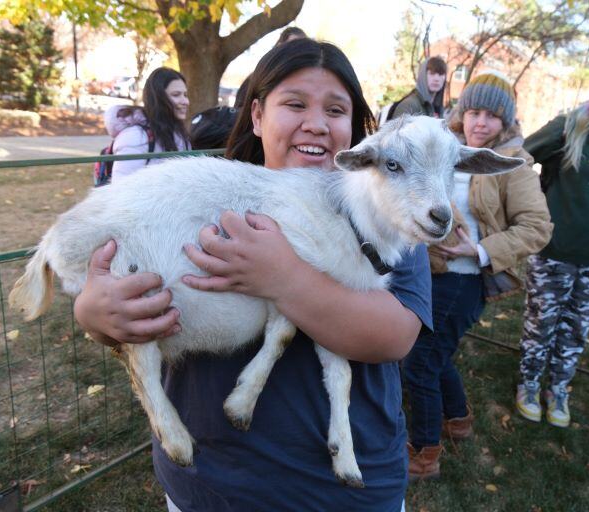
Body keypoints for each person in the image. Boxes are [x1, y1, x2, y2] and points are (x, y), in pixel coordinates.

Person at [74, 38, 433, 512]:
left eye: (336, 109)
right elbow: (121, 281)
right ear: (259, 115)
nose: (316, 123)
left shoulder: (391, 216)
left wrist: (283, 277)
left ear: (356, 128)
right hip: (210, 485)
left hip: (339, 494)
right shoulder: (202, 195)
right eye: (295, 104)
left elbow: (394, 337)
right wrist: (94, 315)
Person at [402, 72, 553, 480]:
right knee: (437, 353)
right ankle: (458, 419)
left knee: (419, 363)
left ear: (506, 122)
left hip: (464, 278)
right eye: (473, 111)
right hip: (428, 271)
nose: (480, 122)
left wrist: (481, 250)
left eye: (491, 115)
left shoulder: (513, 166)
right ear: (461, 112)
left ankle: (424, 452)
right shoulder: (442, 148)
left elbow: (538, 226)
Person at [515, 75, 589, 428]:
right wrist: (534, 203)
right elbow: (520, 158)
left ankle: (559, 388)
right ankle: (529, 383)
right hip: (555, 252)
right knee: (542, 325)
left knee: (576, 331)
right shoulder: (573, 125)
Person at [104, 67, 191, 181]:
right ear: (157, 98)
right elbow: (122, 190)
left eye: (185, 95)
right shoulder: (135, 137)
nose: (186, 101)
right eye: (176, 95)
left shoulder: (179, 135)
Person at [233, 26, 307, 110]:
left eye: (301, 46)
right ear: (279, 47)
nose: (297, 51)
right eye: (292, 45)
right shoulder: (257, 78)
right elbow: (239, 113)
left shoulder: (307, 81)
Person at [386, 56, 447, 122]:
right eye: (432, 73)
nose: (436, 79)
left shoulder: (436, 108)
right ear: (422, 75)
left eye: (441, 74)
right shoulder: (409, 106)